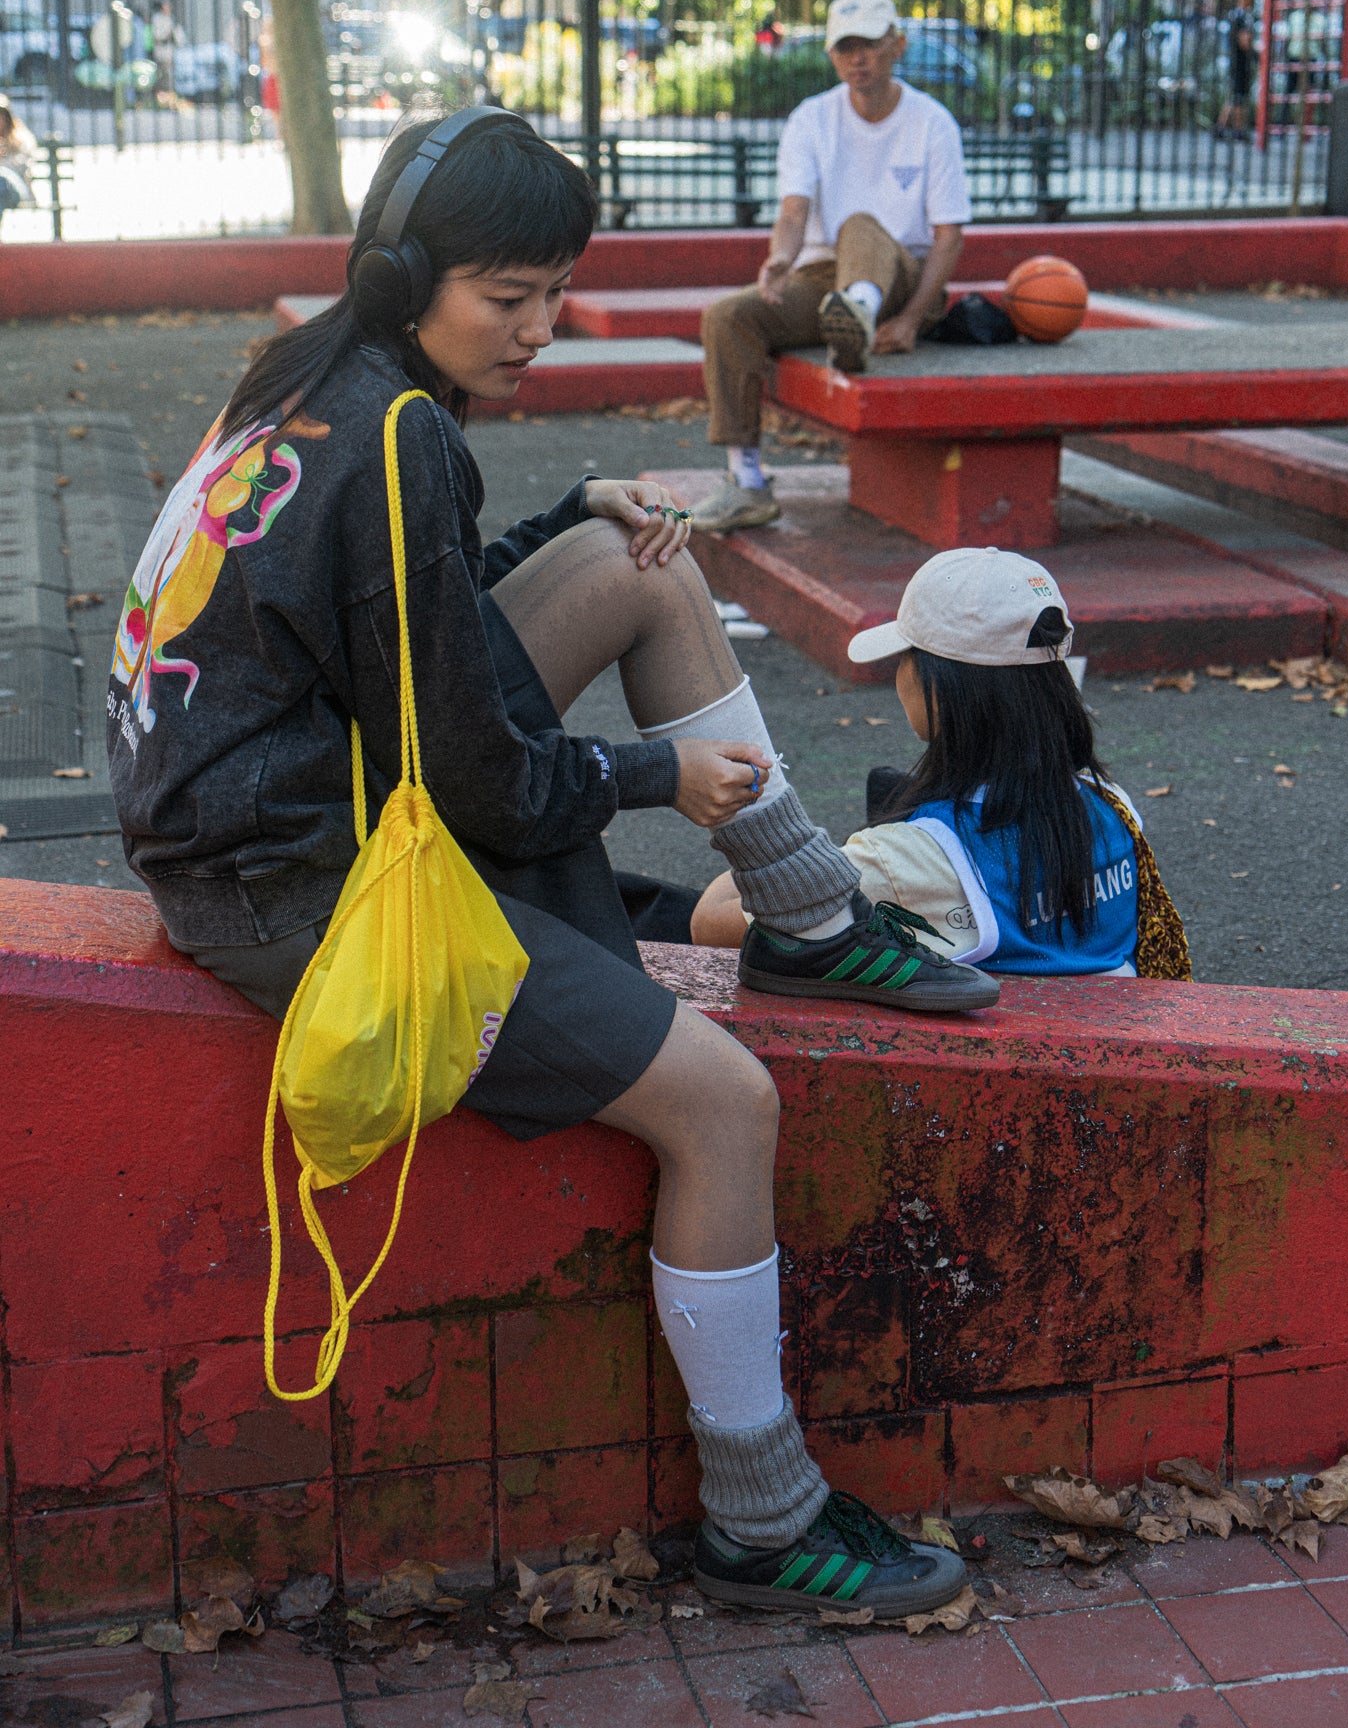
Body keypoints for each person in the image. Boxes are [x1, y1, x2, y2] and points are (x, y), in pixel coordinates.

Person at [107, 105, 996, 1619]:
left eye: (551, 291)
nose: (538, 328)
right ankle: (759, 1518)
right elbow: (499, 788)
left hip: (284, 802)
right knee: (726, 1104)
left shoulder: (314, 380)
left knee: (625, 560)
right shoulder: (397, 435)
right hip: (292, 886)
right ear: (408, 277)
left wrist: (559, 510)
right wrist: (664, 776)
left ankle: (802, 912)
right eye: (504, 299)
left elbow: (398, 608)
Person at [693, 548, 1190, 981]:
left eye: (906, 656)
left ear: (940, 689)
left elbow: (710, 923)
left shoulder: (903, 862)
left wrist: (772, 821)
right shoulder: (1115, 807)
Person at [692, 0, 971, 533]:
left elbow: (949, 235)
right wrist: (779, 259)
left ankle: (858, 314)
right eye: (844, 47)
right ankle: (746, 481)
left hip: (902, 275)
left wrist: (912, 318)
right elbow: (794, 211)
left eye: (868, 44)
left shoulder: (931, 122)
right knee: (727, 316)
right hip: (822, 275)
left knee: (858, 225)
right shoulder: (811, 119)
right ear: (830, 54)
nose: (857, 58)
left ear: (898, 46)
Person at [1216, 0, 1257, 141]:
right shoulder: (1242, 17)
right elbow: (1244, 41)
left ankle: (1221, 127)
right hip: (1240, 62)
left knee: (1234, 96)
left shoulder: (1235, 15)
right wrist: (1256, 54)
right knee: (1239, 96)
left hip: (1234, 60)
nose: (1252, 0)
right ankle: (1238, 130)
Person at [0, 94, 38, 226]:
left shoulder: (21, 138)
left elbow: (21, 166)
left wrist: (3, 157)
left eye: (1, 115)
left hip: (14, 188)